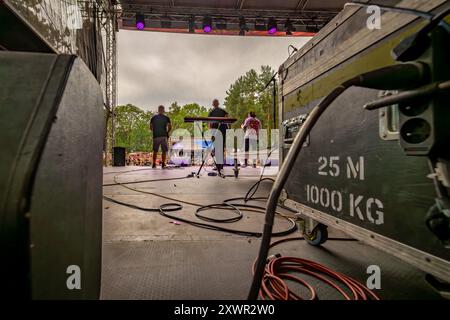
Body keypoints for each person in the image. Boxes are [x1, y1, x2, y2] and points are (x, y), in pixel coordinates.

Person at [208, 99, 228, 173]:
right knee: (221, 147)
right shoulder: (223, 111)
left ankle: (217, 165)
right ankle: (220, 165)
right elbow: (227, 118)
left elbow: (209, 122)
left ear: (213, 104)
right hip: (222, 130)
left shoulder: (211, 112)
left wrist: (210, 132)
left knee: (216, 148)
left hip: (215, 131)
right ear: (218, 103)